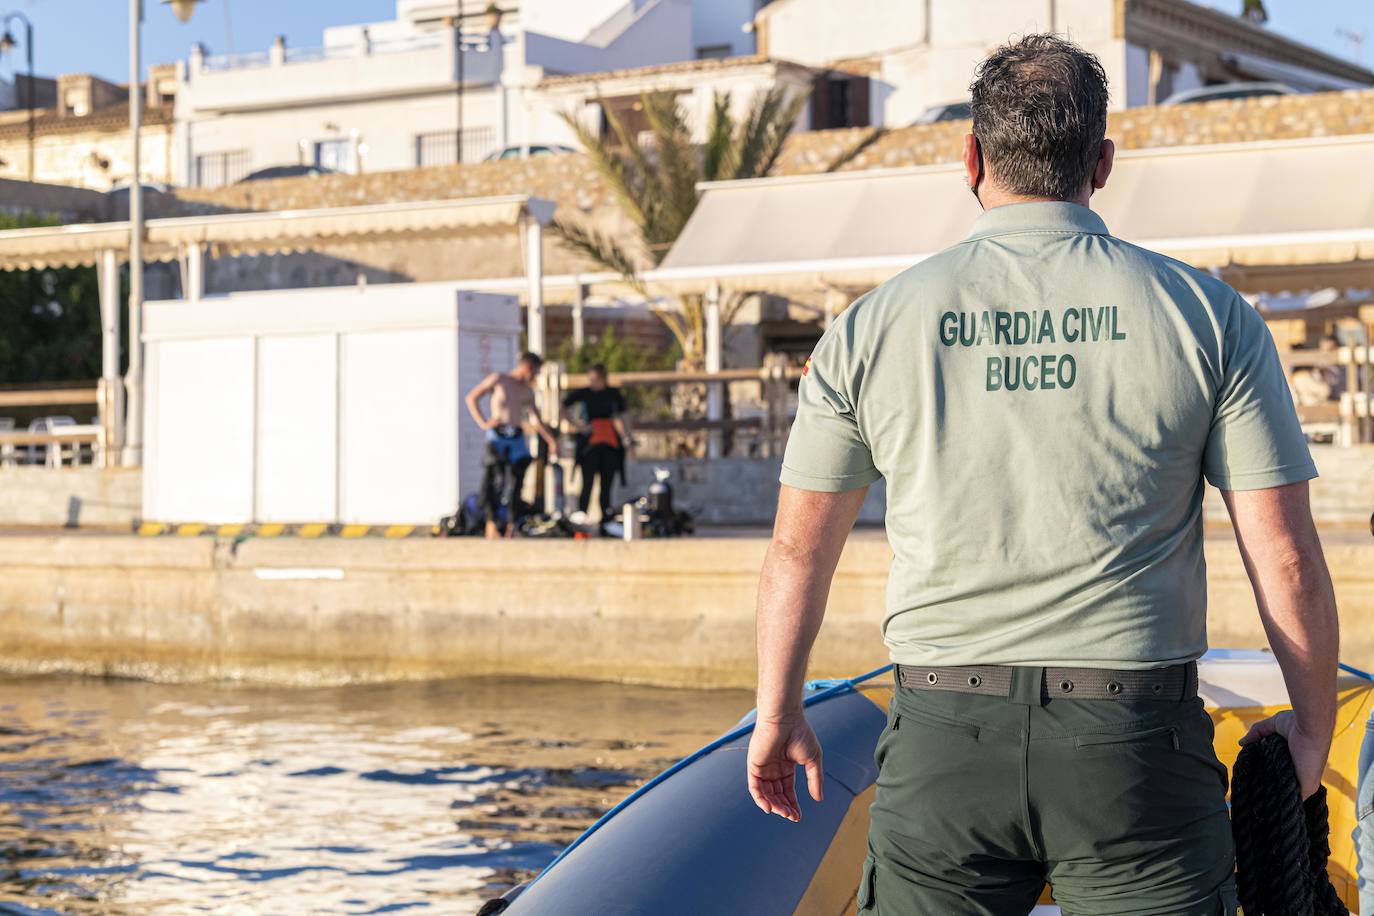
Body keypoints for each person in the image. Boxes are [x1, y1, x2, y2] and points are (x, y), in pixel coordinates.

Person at [747, 34, 1338, 916]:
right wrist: (1310, 732)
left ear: (971, 157)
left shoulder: (869, 330)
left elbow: (797, 554)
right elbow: (1284, 558)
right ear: (1101, 163)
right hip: (1135, 750)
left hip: (945, 741)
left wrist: (777, 711)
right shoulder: (1211, 317)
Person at [464, 352, 558, 539]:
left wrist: (550, 440)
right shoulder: (499, 380)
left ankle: (511, 526)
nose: (535, 377)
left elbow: (537, 420)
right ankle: (491, 524)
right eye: (536, 373)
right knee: (495, 480)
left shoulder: (527, 392)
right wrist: (483, 422)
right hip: (497, 436)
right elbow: (471, 398)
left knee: (517, 482)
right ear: (528, 368)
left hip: (516, 437)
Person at [563, 363, 632, 522]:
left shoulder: (613, 394)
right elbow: (563, 406)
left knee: (606, 484)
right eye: (590, 379)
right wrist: (577, 425)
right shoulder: (584, 393)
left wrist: (628, 436)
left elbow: (624, 415)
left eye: (596, 379)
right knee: (587, 481)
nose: (592, 382)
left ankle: (605, 520)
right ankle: (581, 517)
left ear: (603, 379)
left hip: (609, 441)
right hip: (590, 442)